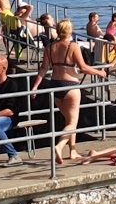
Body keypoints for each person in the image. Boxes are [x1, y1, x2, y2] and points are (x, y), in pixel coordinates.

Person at [32, 19, 109, 163]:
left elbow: (43, 68)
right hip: (70, 84)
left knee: (69, 121)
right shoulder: (73, 46)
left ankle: (73, 151)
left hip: (55, 85)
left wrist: (36, 86)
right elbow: (84, 67)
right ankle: (59, 146)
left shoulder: (50, 47)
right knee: (73, 122)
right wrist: (100, 73)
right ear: (70, 31)